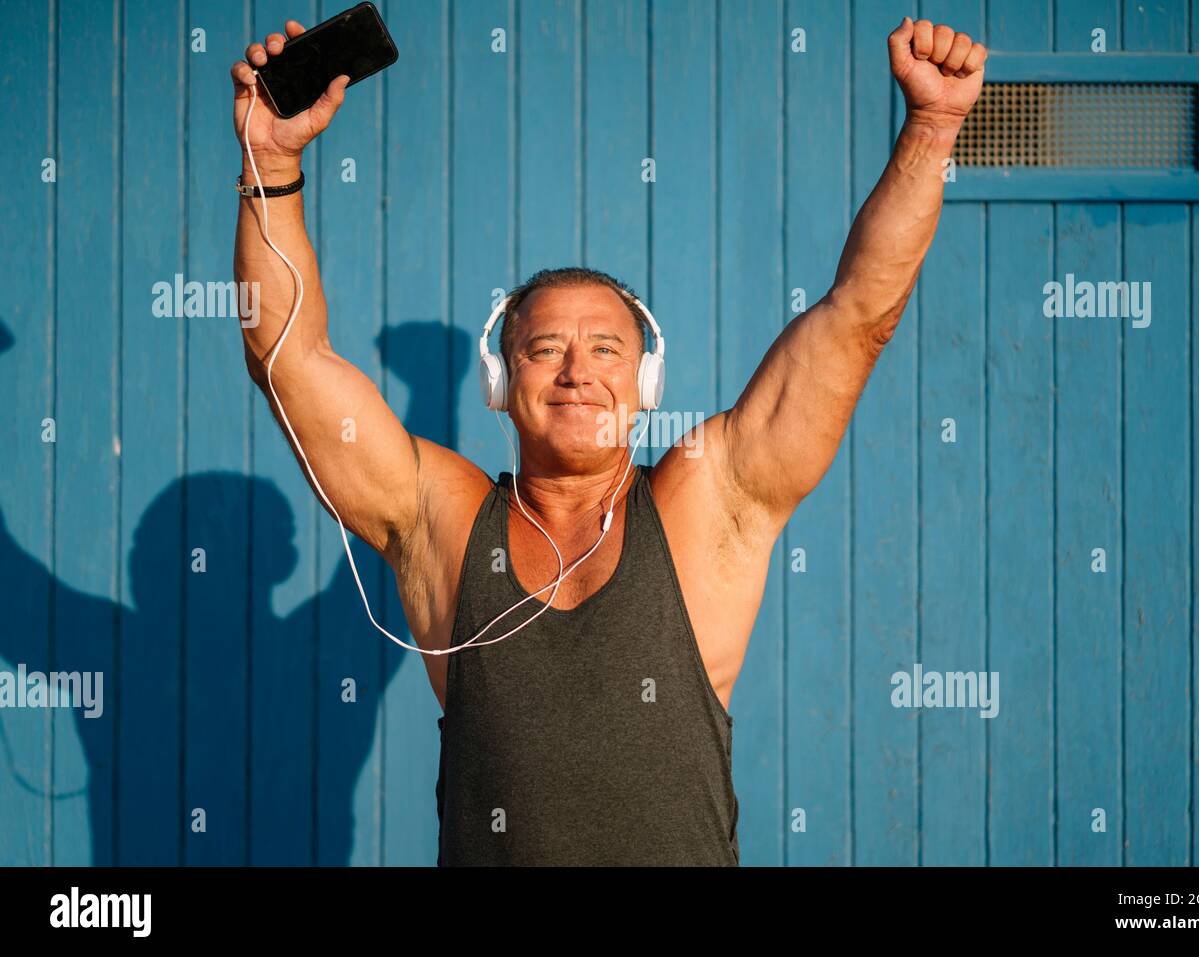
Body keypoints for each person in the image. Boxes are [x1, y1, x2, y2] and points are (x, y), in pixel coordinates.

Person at [229, 15, 987, 866]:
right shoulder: (436, 516)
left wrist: (931, 129)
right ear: (502, 384)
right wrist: (274, 162)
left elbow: (857, 318)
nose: (576, 371)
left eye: (607, 349)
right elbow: (287, 360)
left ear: (645, 383)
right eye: (544, 348)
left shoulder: (711, 502)